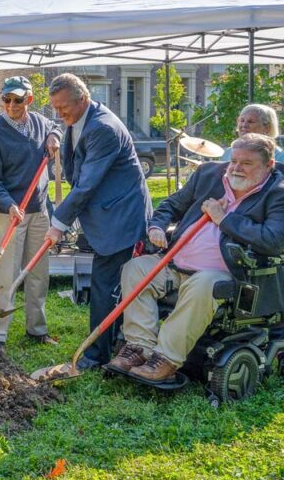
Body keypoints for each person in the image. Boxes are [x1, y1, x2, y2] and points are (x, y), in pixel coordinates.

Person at [109, 133, 284, 381]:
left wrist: (223, 219)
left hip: (228, 274)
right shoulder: (209, 174)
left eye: (246, 163)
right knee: (136, 269)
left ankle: (166, 358)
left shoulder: (277, 193)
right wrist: (157, 226)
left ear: (269, 166)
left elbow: (274, 240)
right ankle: (139, 348)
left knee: (204, 285)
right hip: (176, 264)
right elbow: (172, 205)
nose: (236, 168)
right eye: (234, 160)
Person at [45, 72, 151, 370]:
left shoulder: (103, 128)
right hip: (104, 213)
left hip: (121, 217)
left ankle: (96, 355)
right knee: (106, 283)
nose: (60, 113)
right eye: (55, 108)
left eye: (64, 107)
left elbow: (87, 184)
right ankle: (110, 343)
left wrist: (58, 223)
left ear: (84, 99)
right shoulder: (78, 119)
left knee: (106, 285)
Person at [0, 76, 61, 358]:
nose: (11, 105)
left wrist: (55, 135)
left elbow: (54, 126)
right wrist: (8, 204)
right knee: (5, 274)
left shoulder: (39, 122)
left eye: (17, 99)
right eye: (6, 100)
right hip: (8, 213)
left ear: (29, 99)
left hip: (38, 210)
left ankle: (37, 329)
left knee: (38, 273)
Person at [220, 104, 284, 162]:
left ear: (267, 127)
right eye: (242, 120)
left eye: (251, 121)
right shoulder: (228, 153)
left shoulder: (279, 157)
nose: (244, 125)